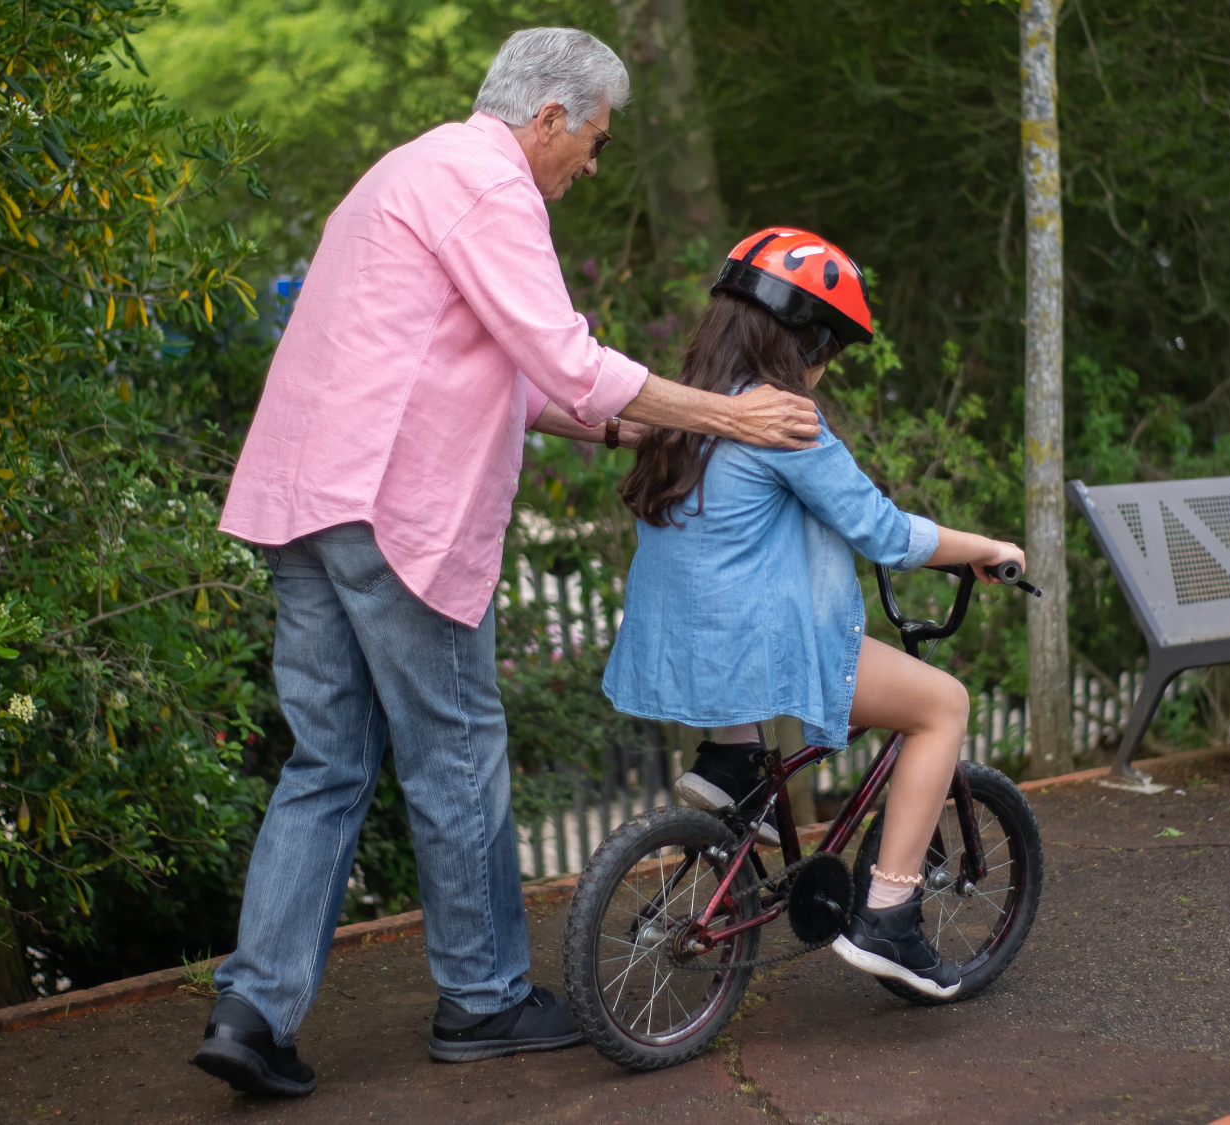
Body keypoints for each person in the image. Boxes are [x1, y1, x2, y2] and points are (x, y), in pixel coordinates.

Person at [198, 31, 824, 1097]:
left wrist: (649, 433)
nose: (592, 163)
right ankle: (485, 1000)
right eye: (592, 140)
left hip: (304, 499)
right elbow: (568, 359)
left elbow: (524, 387)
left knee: (327, 764)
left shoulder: (402, 172)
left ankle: (253, 1009)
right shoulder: (489, 188)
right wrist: (730, 416)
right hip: (390, 511)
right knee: (454, 756)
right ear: (547, 119)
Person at [602, 227, 1025, 998]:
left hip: (683, 647)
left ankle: (732, 767)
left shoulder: (687, 412)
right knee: (942, 705)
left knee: (739, 602)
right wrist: (981, 547)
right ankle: (891, 917)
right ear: (801, 340)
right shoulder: (783, 420)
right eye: (828, 346)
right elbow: (884, 533)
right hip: (759, 649)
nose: (827, 368)